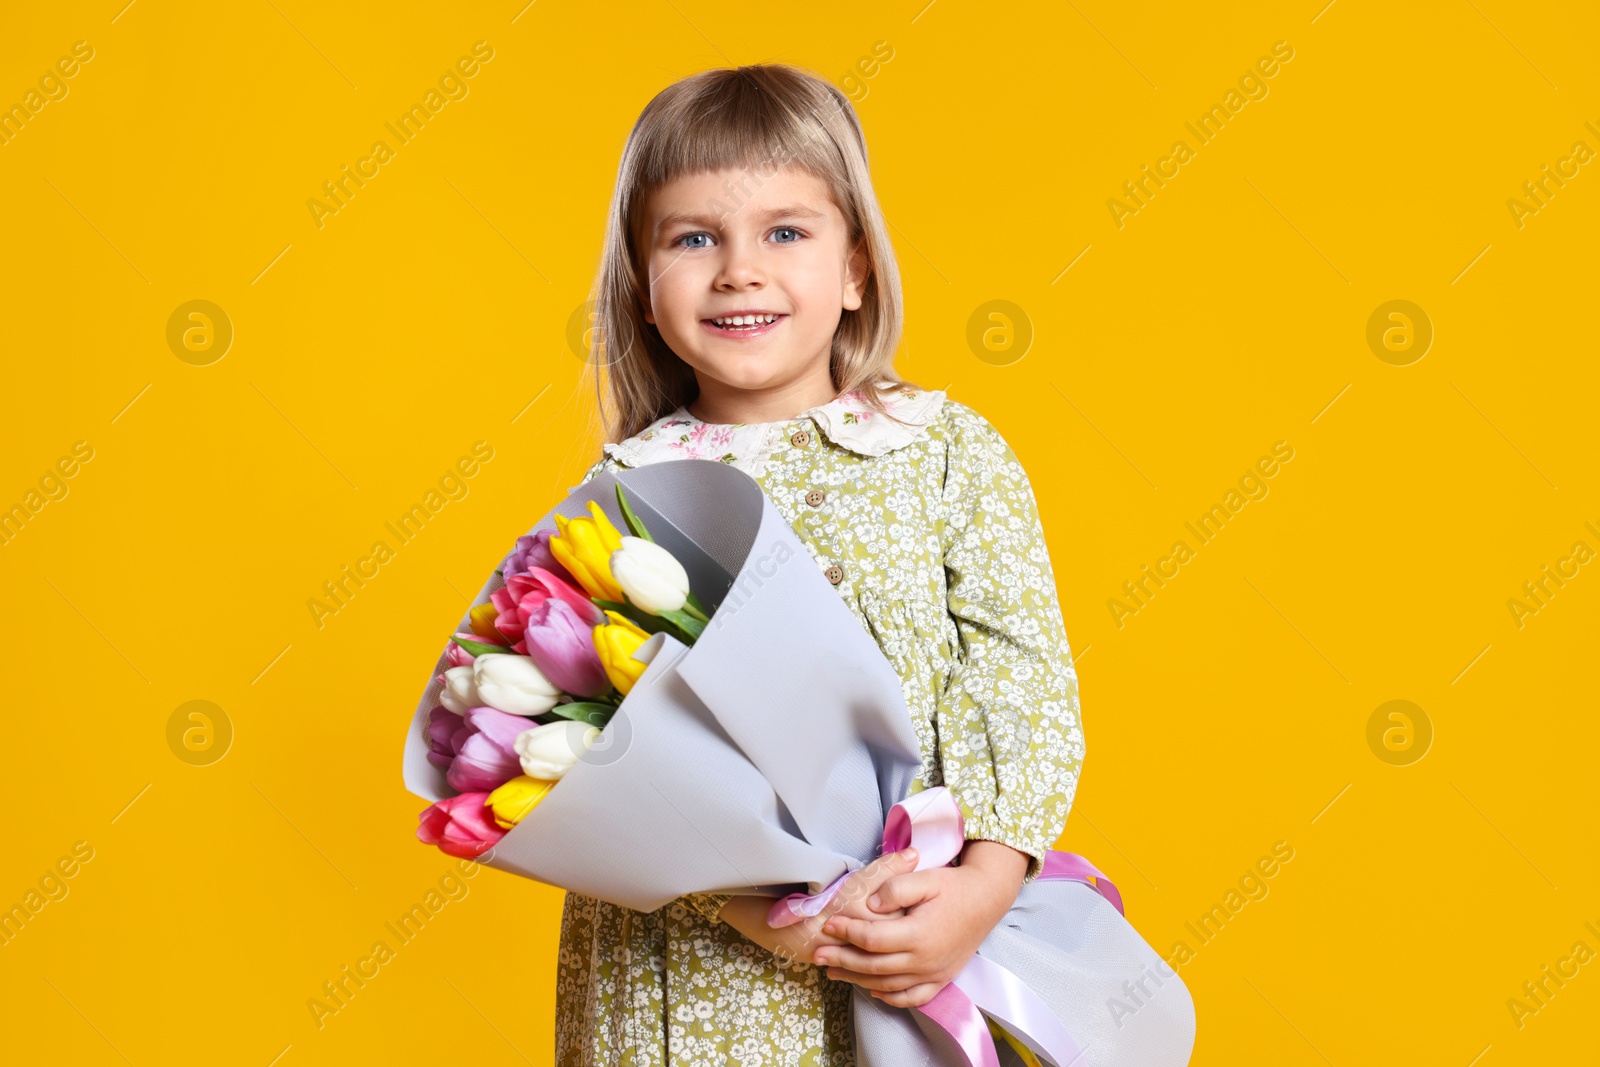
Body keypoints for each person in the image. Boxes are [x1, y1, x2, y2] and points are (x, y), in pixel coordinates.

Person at [557, 62, 1084, 1066]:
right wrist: (764, 907)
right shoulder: (623, 493)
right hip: (700, 967)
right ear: (642, 285)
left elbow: (1020, 678)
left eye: (785, 232)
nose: (739, 270)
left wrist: (983, 880)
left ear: (856, 271)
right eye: (692, 236)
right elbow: (607, 749)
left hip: (923, 930)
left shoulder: (943, 451)